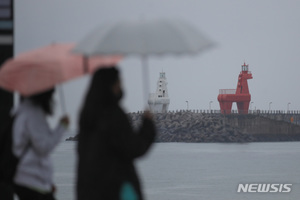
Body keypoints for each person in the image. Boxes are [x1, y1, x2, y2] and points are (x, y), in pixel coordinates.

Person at [77, 67, 156, 200]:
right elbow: (133, 148)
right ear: (111, 85)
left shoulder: (86, 117)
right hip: (115, 189)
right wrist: (147, 125)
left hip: (89, 190)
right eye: (118, 82)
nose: (121, 86)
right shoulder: (113, 115)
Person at [13, 88, 69, 200]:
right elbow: (43, 147)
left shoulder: (19, 111)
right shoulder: (33, 113)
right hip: (32, 180)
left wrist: (47, 182)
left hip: (24, 178)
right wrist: (62, 127)